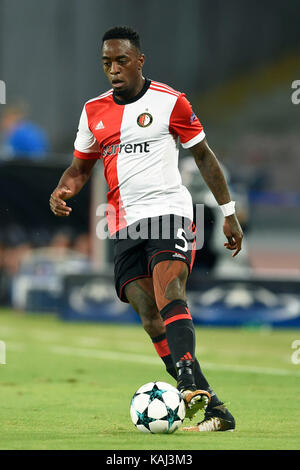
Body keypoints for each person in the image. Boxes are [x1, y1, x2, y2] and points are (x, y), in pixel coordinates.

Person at [49, 26, 243, 432]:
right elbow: (80, 168)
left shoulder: (171, 102)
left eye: (121, 61)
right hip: (123, 223)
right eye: (107, 63)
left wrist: (227, 211)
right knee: (149, 316)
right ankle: (214, 408)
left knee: (169, 288)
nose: (114, 70)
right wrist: (64, 189)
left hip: (169, 211)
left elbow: (204, 156)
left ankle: (187, 379)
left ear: (139, 60)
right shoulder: (93, 111)